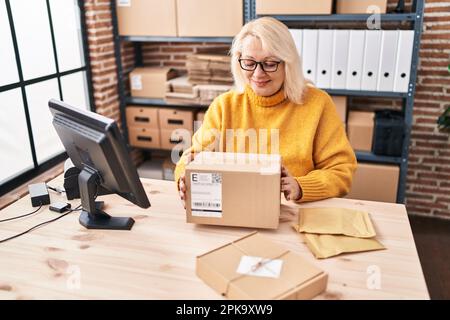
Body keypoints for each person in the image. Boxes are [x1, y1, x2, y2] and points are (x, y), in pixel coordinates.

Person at [175, 17, 357, 208]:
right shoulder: (224, 106)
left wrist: (300, 186)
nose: (258, 74)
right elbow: (191, 157)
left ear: (288, 63)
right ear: (239, 61)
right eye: (249, 62)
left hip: (297, 213)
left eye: (269, 64)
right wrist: (184, 177)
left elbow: (341, 170)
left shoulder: (317, 104)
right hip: (237, 210)